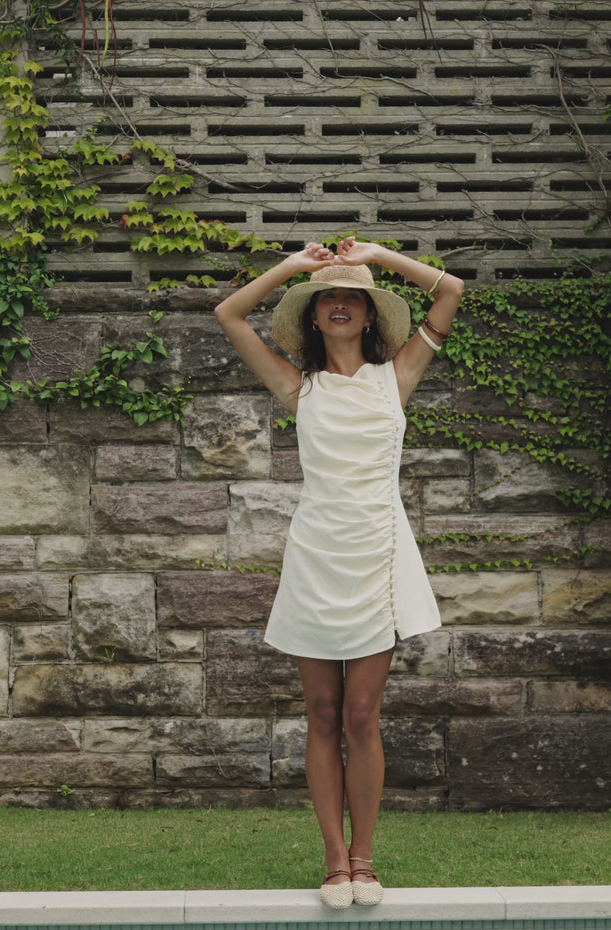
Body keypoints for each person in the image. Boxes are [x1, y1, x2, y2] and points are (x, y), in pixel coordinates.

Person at [214, 236, 464, 908]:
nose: (341, 303)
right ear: (315, 315)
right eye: (328, 297)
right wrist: (294, 267)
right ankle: (333, 863)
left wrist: (379, 255)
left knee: (360, 715)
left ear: (371, 312)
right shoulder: (297, 386)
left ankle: (364, 859)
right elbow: (229, 315)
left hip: (378, 557)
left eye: (354, 295)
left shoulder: (397, 375)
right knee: (322, 713)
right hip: (315, 559)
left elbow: (451, 291)